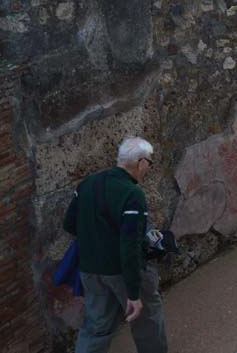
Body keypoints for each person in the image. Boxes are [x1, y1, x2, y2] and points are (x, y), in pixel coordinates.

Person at [63, 137, 168, 353]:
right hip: (121, 272)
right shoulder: (132, 194)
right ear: (141, 162)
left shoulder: (87, 184)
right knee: (146, 319)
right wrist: (133, 294)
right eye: (149, 161)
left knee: (96, 326)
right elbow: (130, 246)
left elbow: (69, 224)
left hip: (90, 270)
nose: (148, 167)